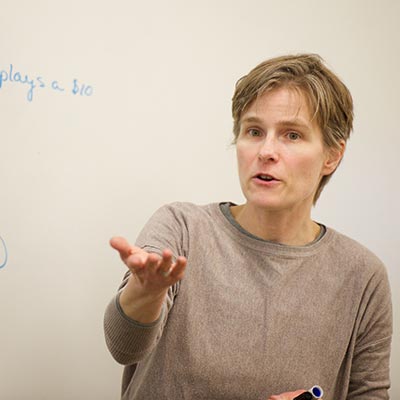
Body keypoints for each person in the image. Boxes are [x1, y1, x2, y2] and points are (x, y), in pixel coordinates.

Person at [104, 54, 392, 400]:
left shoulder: (362, 276)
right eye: (254, 131)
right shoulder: (182, 229)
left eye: (292, 135)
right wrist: (145, 293)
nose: (266, 151)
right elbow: (125, 348)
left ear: (332, 155)